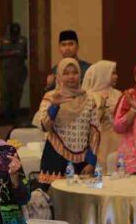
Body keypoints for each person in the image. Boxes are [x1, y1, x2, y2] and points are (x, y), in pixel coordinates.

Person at [36, 58, 100, 186]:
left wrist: (91, 161)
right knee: (55, 197)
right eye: (66, 73)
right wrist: (54, 106)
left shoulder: (89, 99)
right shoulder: (51, 96)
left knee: (81, 196)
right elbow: (43, 125)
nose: (71, 77)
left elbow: (95, 132)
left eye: (74, 72)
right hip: (55, 159)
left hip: (82, 161)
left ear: (80, 74)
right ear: (59, 75)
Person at [81, 61, 122, 174]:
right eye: (112, 73)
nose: (116, 76)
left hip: (119, 141)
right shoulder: (89, 95)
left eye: (115, 73)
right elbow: (88, 122)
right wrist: (102, 109)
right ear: (103, 74)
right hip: (100, 142)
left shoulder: (118, 94)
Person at [0, 23, 28, 120]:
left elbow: (25, 54)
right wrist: (12, 53)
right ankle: (5, 116)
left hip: (19, 71)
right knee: (5, 93)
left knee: (17, 94)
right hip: (6, 72)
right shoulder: (3, 41)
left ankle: (15, 115)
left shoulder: (23, 40)